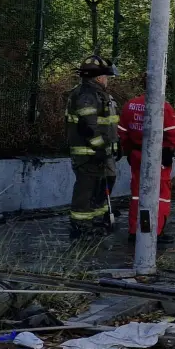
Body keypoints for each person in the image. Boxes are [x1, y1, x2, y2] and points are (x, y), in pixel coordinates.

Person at [118, 74, 175, 244]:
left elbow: (122, 133)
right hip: (158, 157)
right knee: (161, 194)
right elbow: (174, 134)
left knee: (137, 193)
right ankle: (155, 232)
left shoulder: (130, 105)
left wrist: (127, 151)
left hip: (136, 156)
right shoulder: (163, 107)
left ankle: (135, 231)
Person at [65, 55, 120, 239]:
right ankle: (81, 226)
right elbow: (90, 127)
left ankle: (96, 221)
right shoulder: (85, 96)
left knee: (102, 185)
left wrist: (114, 145)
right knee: (86, 190)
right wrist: (100, 149)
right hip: (88, 155)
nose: (107, 80)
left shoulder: (100, 95)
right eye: (105, 76)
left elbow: (108, 125)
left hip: (101, 153)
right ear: (98, 77)